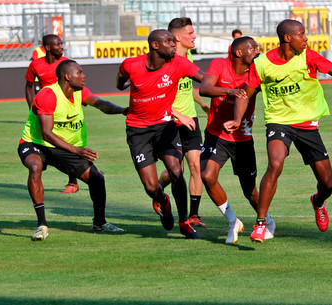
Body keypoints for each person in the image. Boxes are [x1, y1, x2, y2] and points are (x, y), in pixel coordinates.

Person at [224, 19, 332, 243]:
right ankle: (260, 224)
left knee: (327, 183)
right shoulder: (263, 63)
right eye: (302, 34)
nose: (306, 38)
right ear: (288, 38)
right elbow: (245, 94)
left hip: (307, 125)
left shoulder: (309, 56)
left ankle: (318, 201)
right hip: (279, 122)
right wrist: (237, 119)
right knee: (275, 165)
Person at [18, 60, 128, 241]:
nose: (84, 76)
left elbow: (100, 104)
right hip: (36, 143)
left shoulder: (80, 92)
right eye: (80, 73)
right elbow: (46, 133)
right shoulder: (48, 95)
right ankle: (42, 225)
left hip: (62, 147)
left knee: (97, 179)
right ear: (67, 77)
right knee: (35, 167)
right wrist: (77, 151)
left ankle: (100, 223)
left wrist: (123, 110)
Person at [116, 29, 204, 239]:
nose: (174, 45)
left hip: (165, 126)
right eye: (169, 42)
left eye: (174, 42)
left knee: (176, 171)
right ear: (155, 45)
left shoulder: (179, 63)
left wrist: (226, 85)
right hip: (138, 131)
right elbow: (120, 80)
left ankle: (184, 222)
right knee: (150, 187)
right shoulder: (131, 64)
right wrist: (123, 84)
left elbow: (203, 77)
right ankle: (162, 200)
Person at [199, 36, 275, 244]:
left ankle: (267, 221)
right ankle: (233, 221)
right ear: (238, 53)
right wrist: (230, 91)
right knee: (207, 176)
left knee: (249, 191)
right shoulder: (219, 65)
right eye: (252, 48)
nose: (256, 51)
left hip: (242, 139)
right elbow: (204, 89)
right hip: (216, 134)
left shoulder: (256, 72)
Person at [156, 17, 210, 228]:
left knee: (196, 166)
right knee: (175, 171)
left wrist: (203, 105)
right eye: (190, 33)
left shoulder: (188, 57)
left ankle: (193, 215)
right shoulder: (164, 61)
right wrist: (179, 115)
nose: (194, 36)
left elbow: (190, 85)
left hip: (192, 120)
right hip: (171, 121)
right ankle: (157, 192)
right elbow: (156, 97)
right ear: (178, 37)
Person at [25, 34, 79, 194]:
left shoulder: (67, 64)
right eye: (58, 44)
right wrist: (31, 107)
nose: (61, 47)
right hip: (45, 110)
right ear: (47, 48)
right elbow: (28, 86)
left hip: (64, 110)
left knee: (67, 142)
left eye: (62, 44)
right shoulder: (35, 65)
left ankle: (73, 181)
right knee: (43, 141)